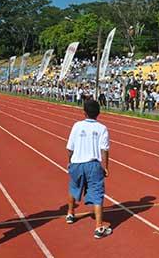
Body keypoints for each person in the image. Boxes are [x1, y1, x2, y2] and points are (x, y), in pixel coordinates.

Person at [65, 100, 112, 239]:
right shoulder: (102, 128)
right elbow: (104, 150)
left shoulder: (77, 126)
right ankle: (98, 227)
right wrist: (106, 166)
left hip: (77, 163)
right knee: (97, 194)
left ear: (84, 112)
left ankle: (70, 213)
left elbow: (69, 148)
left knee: (74, 188)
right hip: (93, 164)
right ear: (99, 113)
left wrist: (69, 162)